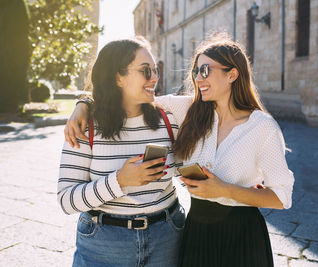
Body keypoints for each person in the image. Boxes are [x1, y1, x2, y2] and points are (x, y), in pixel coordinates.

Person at [65, 34, 294, 267]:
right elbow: (128, 95)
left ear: (232, 74)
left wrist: (225, 190)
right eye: (196, 71)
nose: (197, 78)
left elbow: (282, 197)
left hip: (240, 236)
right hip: (194, 234)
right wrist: (85, 103)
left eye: (205, 70)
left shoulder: (262, 127)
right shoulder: (188, 110)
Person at [58, 37, 185, 267]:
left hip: (167, 237)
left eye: (155, 70)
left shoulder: (169, 117)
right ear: (118, 77)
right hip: (103, 244)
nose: (155, 78)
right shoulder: (84, 126)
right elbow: (66, 199)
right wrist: (119, 180)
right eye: (146, 71)